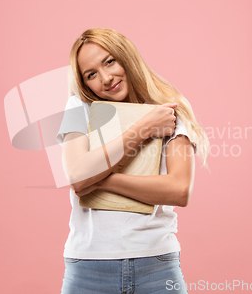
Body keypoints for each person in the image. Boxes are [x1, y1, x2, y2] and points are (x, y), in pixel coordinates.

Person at [55, 28, 209, 294]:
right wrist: (143, 129)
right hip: (89, 271)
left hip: (157, 267)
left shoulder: (168, 112)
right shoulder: (79, 108)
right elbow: (76, 176)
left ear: (126, 56)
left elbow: (179, 190)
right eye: (91, 74)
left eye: (109, 61)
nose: (106, 78)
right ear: (85, 83)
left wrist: (99, 179)